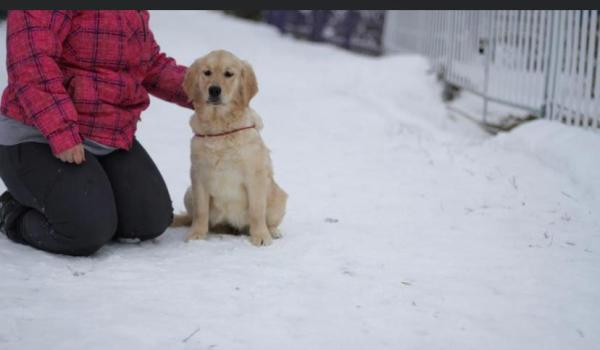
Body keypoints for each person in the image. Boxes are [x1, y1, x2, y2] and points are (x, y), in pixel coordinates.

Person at [0, 10, 193, 256]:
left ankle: (89, 197)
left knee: (149, 219)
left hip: (105, 136)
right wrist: (61, 131)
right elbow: (30, 60)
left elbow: (149, 62)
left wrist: (208, 89)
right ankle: (12, 213)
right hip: (38, 134)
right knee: (85, 230)